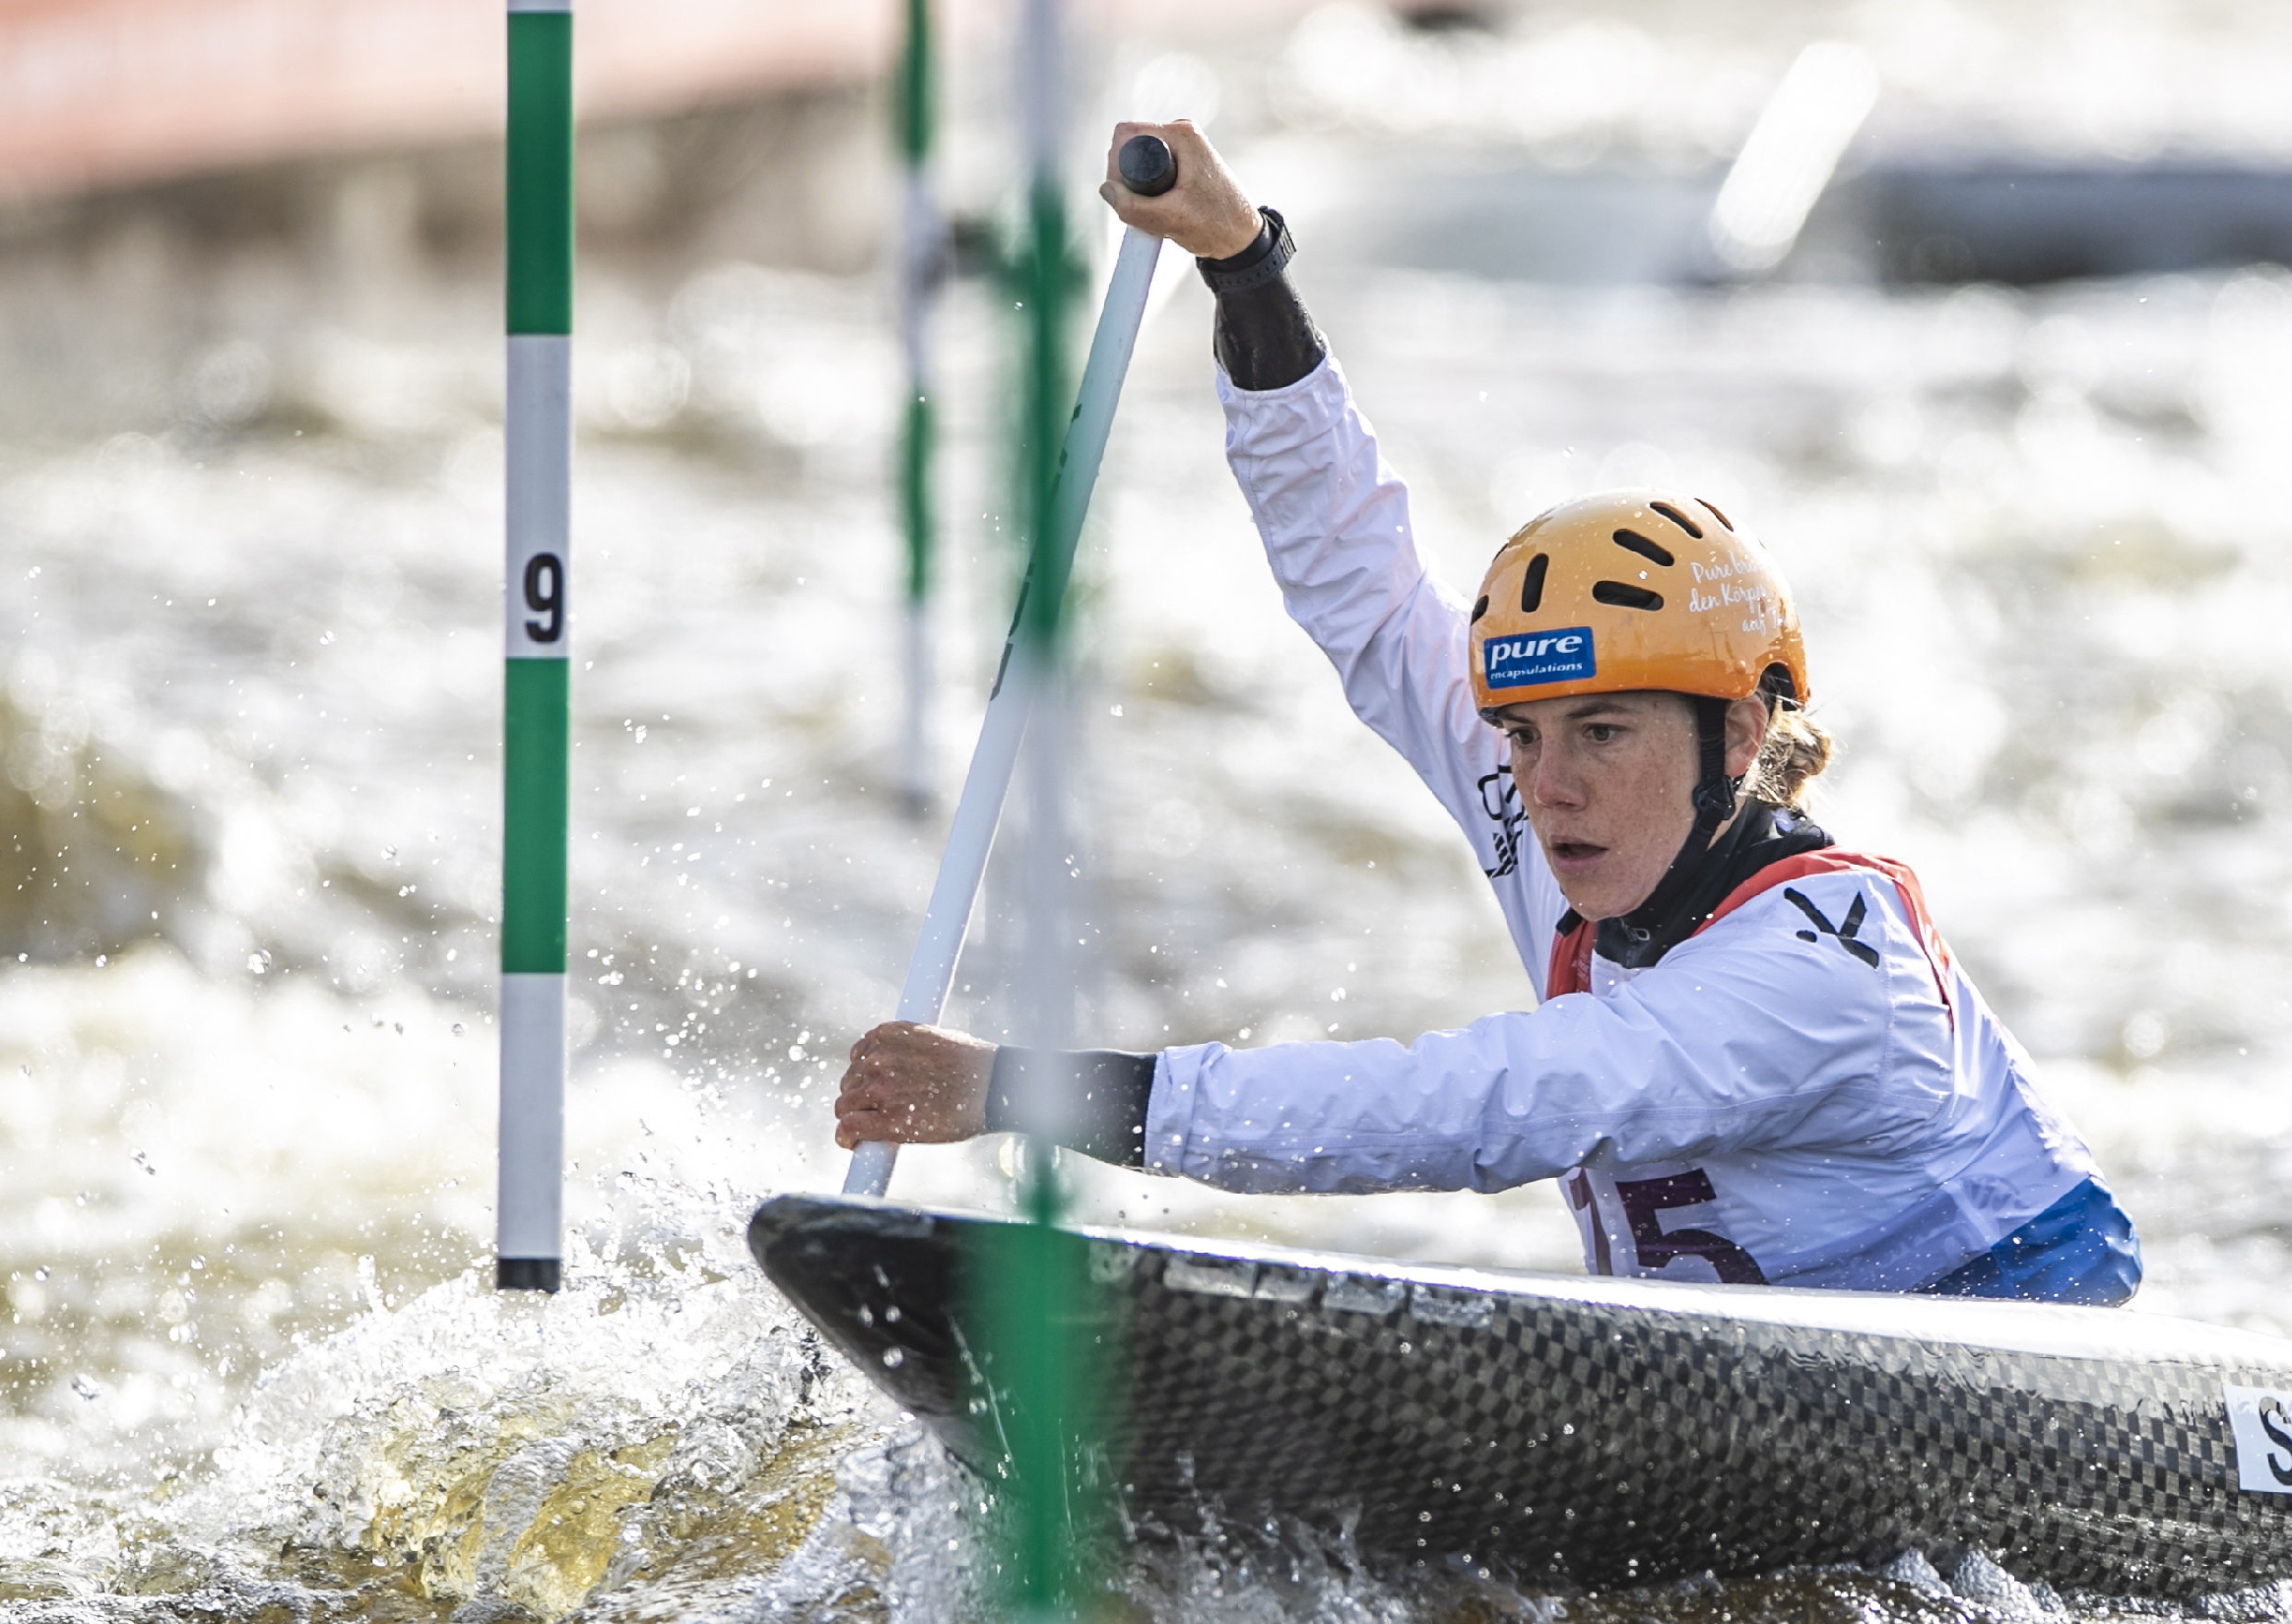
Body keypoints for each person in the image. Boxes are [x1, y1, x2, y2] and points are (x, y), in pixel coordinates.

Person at [834, 123, 2139, 1305]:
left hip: (2018, 1333)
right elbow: (1355, 576)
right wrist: (1244, 268)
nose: (1543, 782)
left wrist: (1021, 1090)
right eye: (1519, 732)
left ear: (1738, 740)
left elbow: (1470, 1108)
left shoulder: (1812, 979)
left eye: (1604, 732)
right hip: (1754, 1375)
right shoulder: (1559, 795)